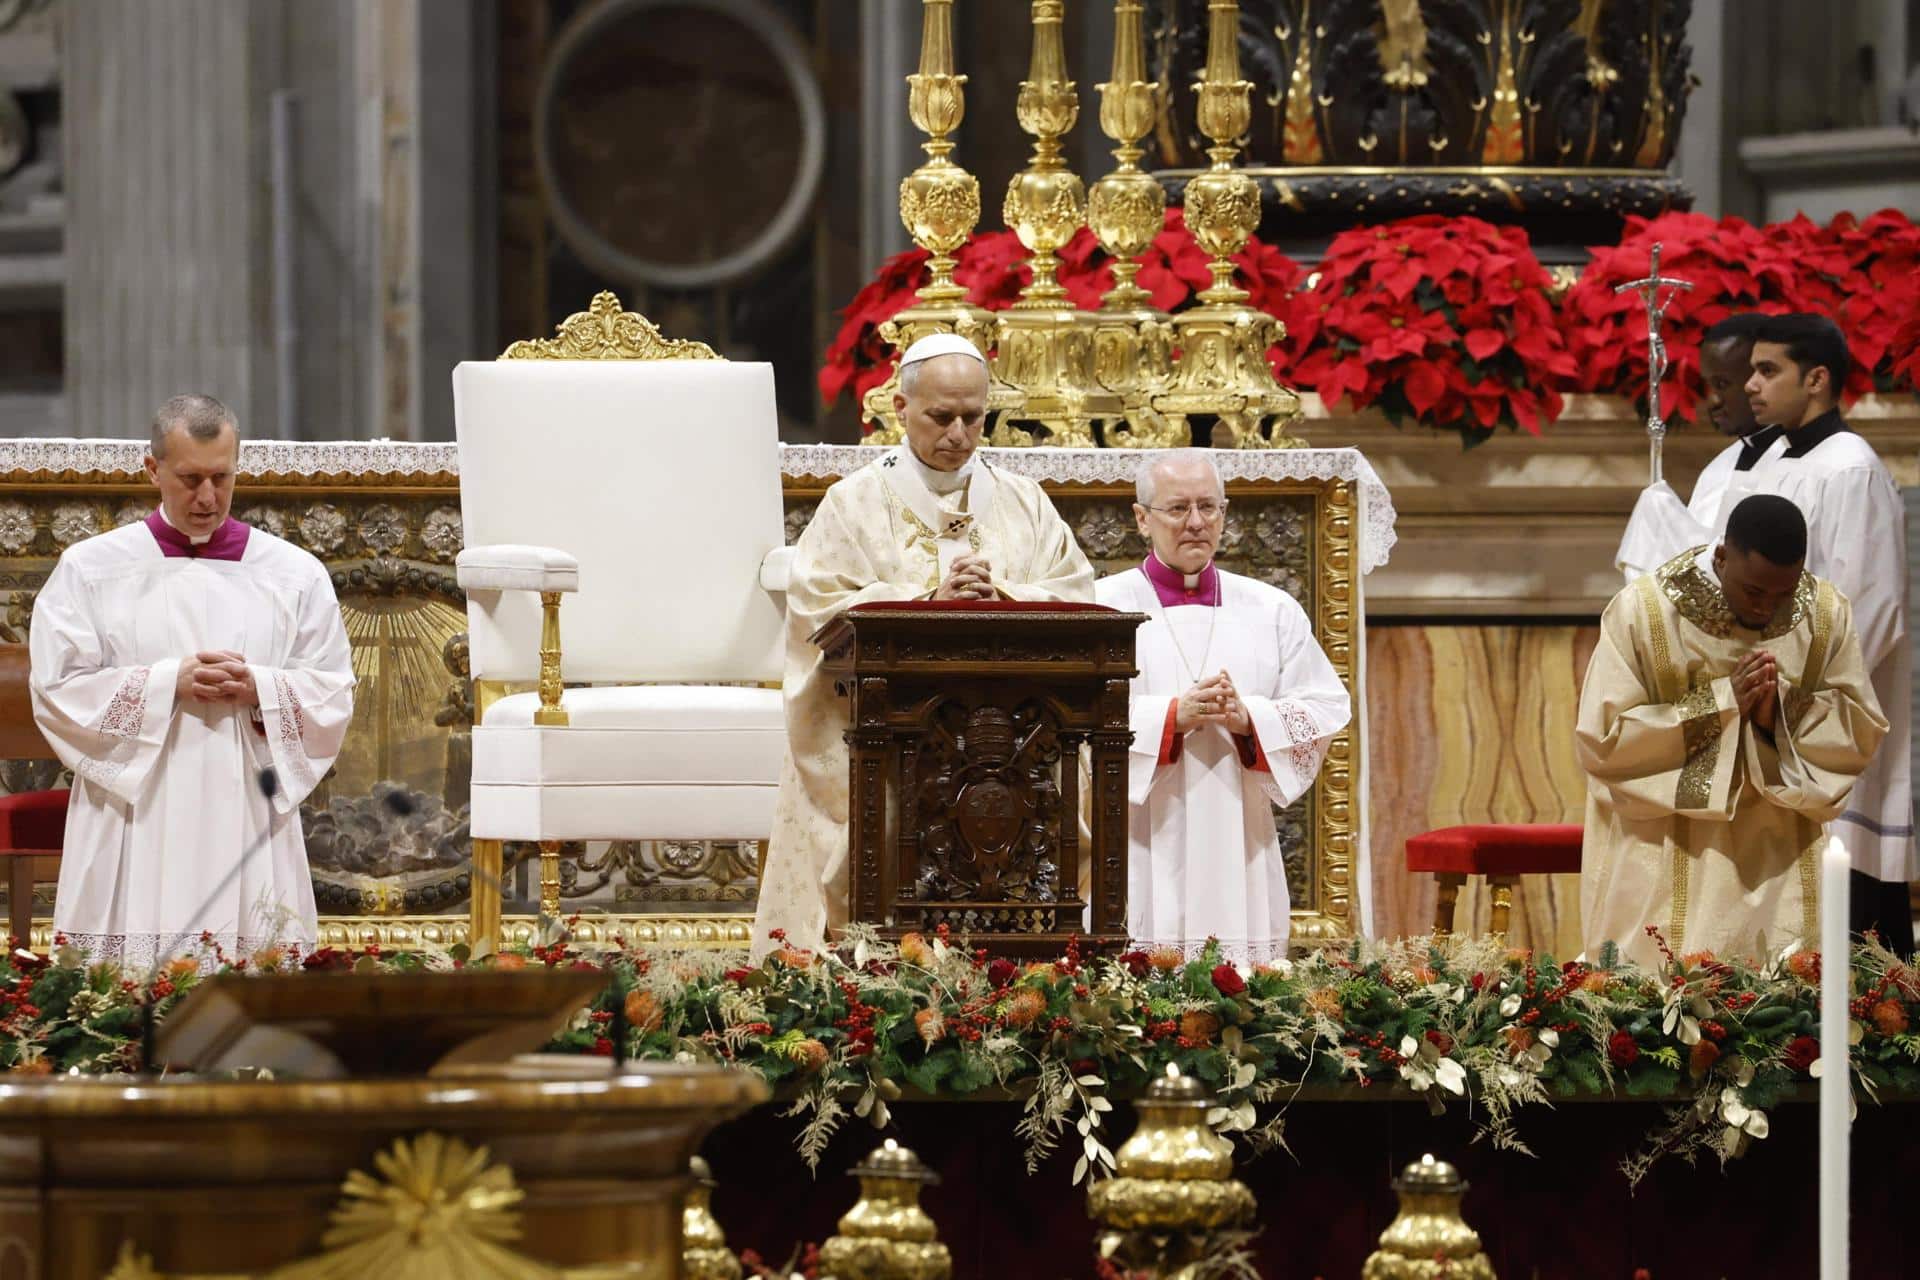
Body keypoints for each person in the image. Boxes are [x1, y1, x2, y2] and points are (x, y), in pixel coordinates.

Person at [752, 334, 1095, 957]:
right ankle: (874, 962)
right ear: (901, 408)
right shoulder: (852, 503)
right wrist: (927, 598)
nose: (959, 433)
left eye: (974, 417)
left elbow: (1076, 592)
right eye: (941, 416)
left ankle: (1020, 966)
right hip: (887, 739)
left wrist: (1006, 596)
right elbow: (818, 610)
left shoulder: (1026, 503)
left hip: (1012, 741)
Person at [29, 394, 355, 965]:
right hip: (136, 807)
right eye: (189, 479)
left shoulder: (294, 574)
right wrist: (164, 683)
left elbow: (331, 691)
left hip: (246, 803)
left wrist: (261, 686)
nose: (207, 497)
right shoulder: (92, 568)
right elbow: (57, 690)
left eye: (221, 478)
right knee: (125, 993)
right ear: (152, 470)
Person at [1579, 494, 1886, 968]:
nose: (1767, 609)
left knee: (1781, 1005)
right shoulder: (1644, 613)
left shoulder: (1823, 615)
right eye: (1753, 592)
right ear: (1721, 557)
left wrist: (1776, 711)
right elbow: (1605, 739)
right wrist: (1721, 703)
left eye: (1782, 594)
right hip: (1667, 853)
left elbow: (1858, 728)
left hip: (1782, 854)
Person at [1092, 450, 1349, 962]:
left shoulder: (1271, 609)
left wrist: (1250, 718)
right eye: (1178, 508)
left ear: (1225, 513)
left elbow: (1324, 706)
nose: (1195, 523)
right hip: (1140, 834)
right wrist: (1170, 718)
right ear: (1142, 518)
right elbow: (1071, 723)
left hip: (1239, 833)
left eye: (1208, 507)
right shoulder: (1101, 607)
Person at [1734, 313, 1913, 954]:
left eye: (1767, 370)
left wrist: (1794, 690)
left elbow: (1870, 606)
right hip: (1772, 710)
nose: (1750, 385)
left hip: (1826, 723)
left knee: (1850, 924)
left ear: (1816, 379)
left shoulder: (1850, 468)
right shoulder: (1774, 461)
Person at [1615, 314, 1788, 581]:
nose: (1711, 401)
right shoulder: (1718, 469)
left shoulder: (1802, 463)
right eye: (1707, 386)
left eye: (1722, 385)